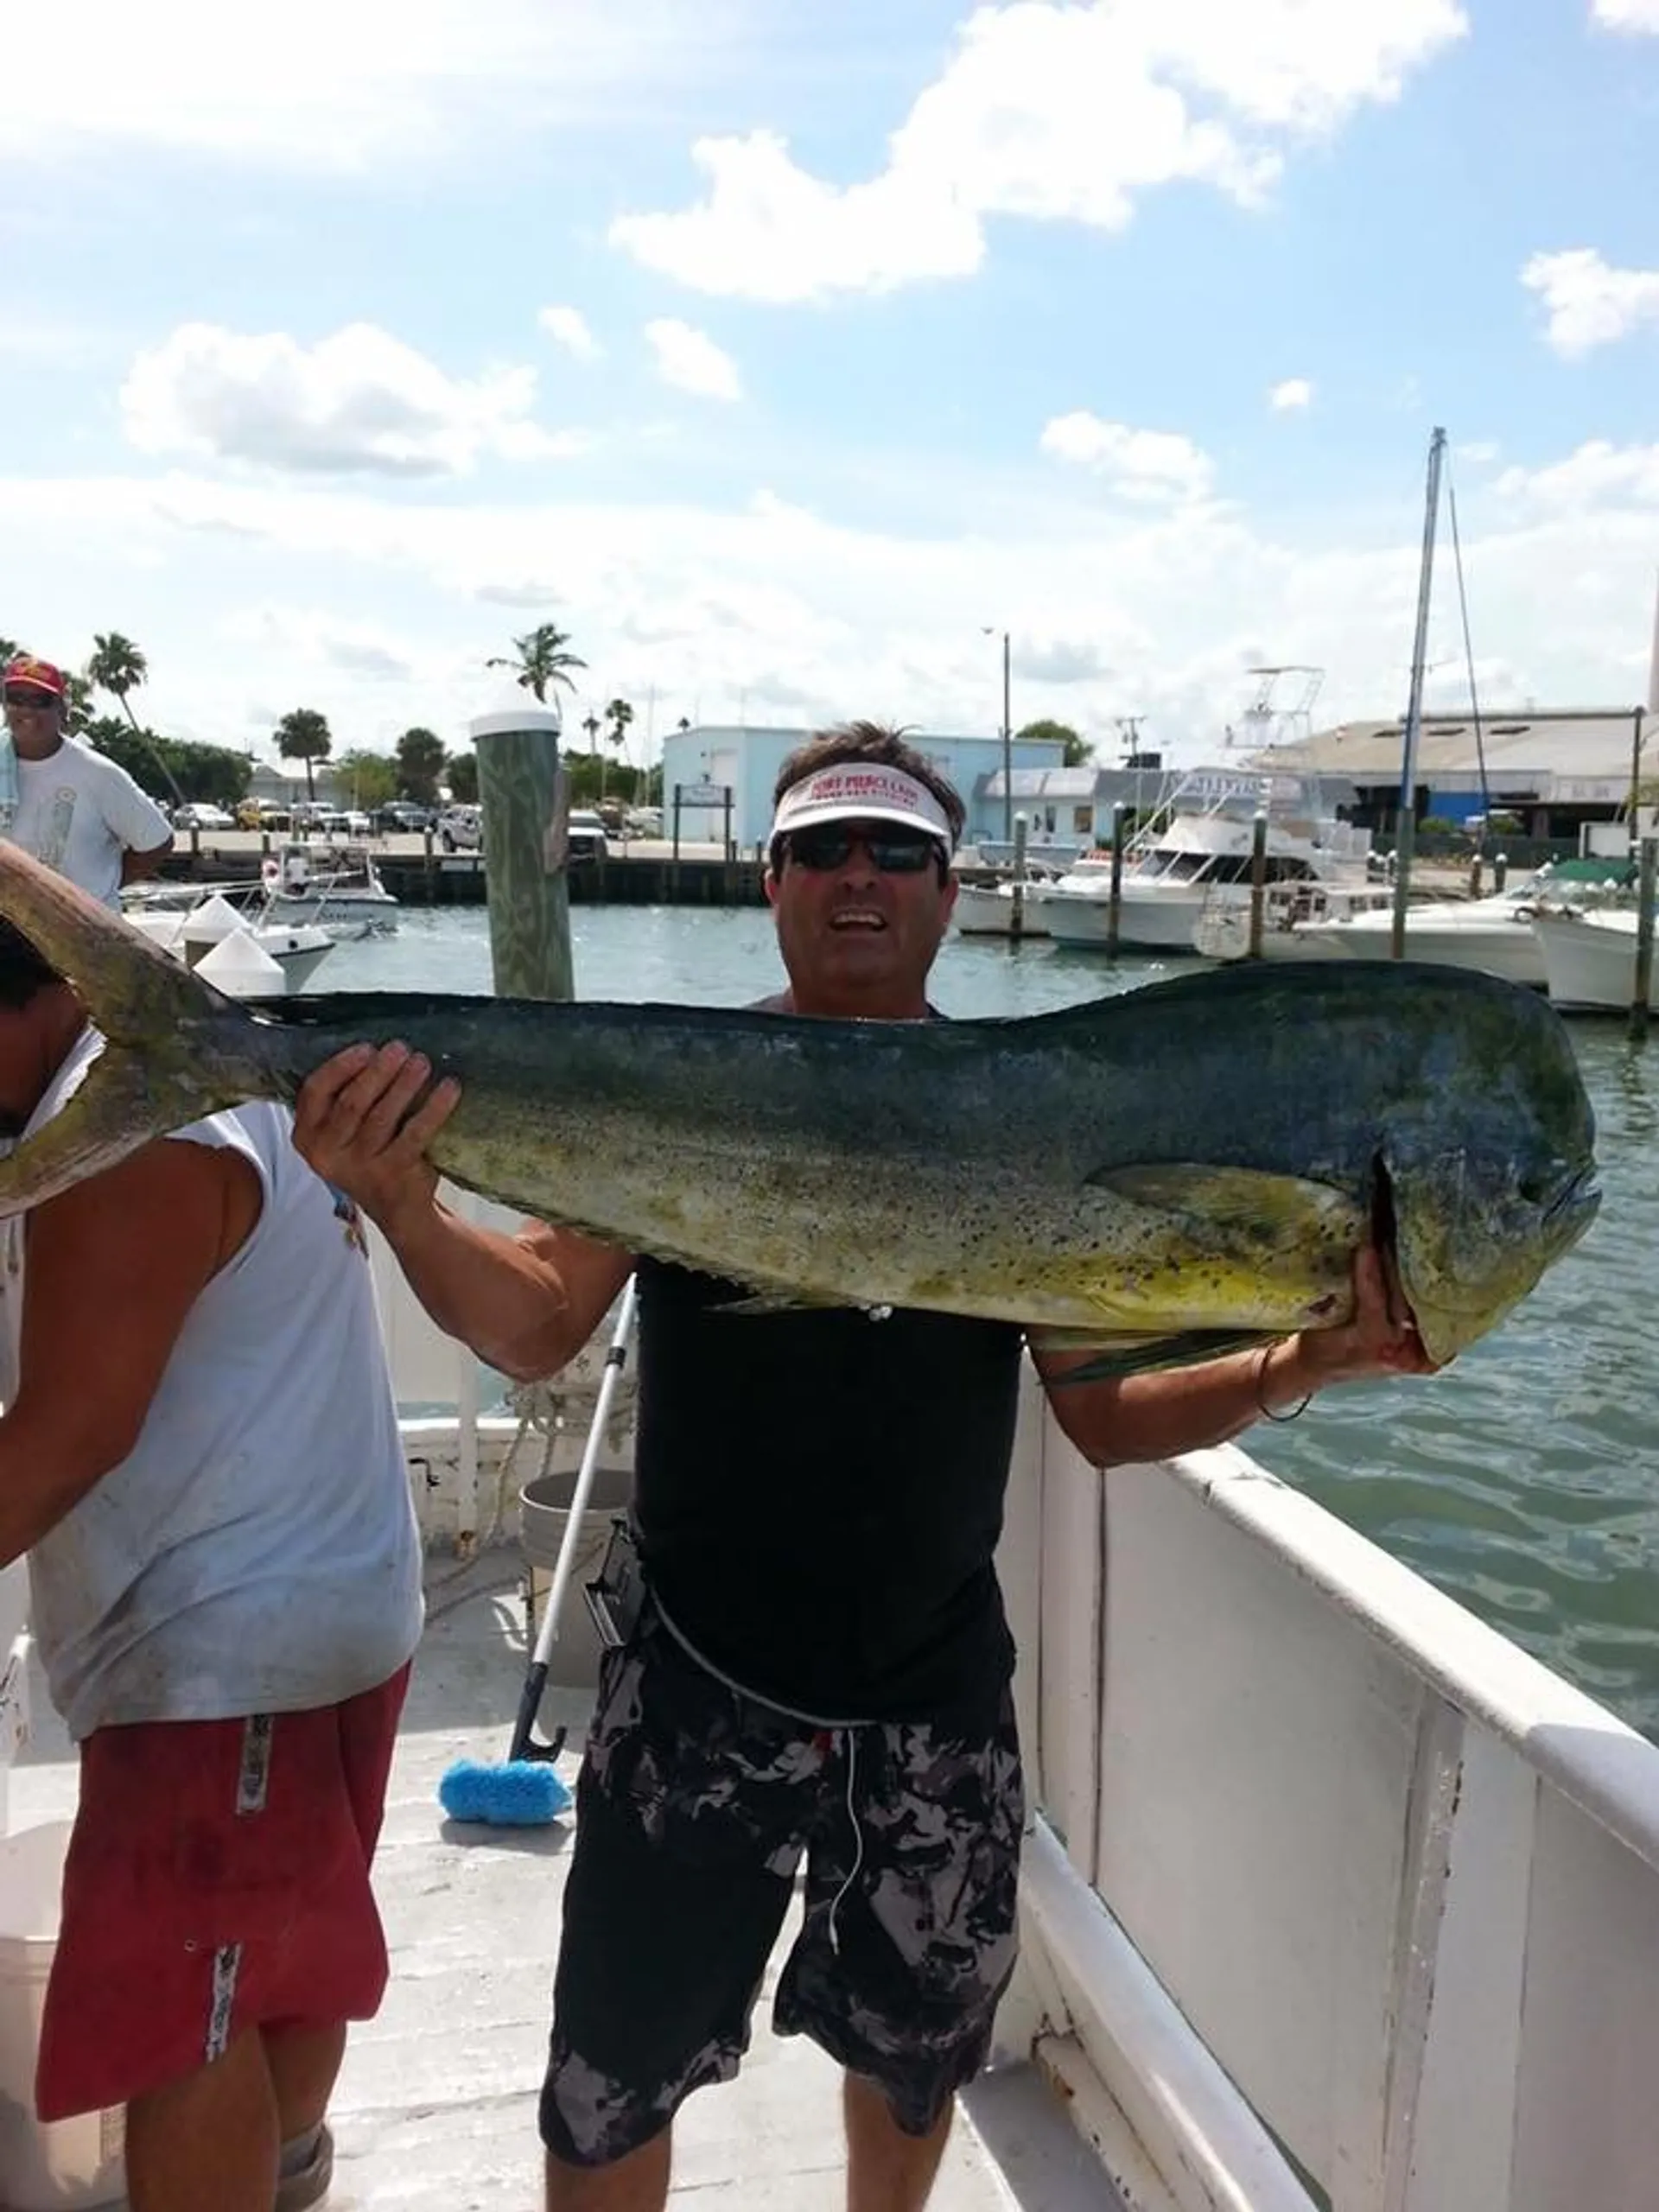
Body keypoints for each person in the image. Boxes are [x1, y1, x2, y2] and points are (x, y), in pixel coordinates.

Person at [292, 722, 1433, 2212]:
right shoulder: (695, 1085)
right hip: (695, 1687)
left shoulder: (1031, 1109)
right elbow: (538, 1320)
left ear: (950, 895)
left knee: (913, 2075)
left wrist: (1306, 1363)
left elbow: (1098, 1413)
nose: (860, 877)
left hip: (932, 1703)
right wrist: (408, 1209)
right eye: (823, 847)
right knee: (610, 2085)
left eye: (899, 851)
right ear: (769, 882)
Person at [0, 915, 423, 2212]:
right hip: (335, 1610)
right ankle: (283, 2174)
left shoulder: (134, 1133)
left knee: (181, 2016)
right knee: (275, 1969)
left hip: (228, 1651)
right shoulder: (201, 1078)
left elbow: (66, 1440)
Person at [1, 653, 174, 905]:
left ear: (61, 708)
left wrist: (98, 891)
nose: (27, 709)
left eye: (41, 700)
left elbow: (158, 842)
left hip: (82, 933)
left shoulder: (99, 774)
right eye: (16, 699)